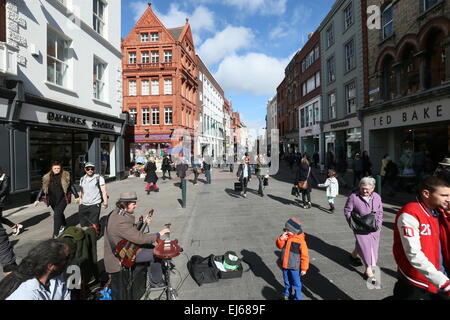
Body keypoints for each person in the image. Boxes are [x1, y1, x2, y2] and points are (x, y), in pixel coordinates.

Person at [103, 192, 170, 300]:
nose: (136, 205)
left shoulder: (116, 213)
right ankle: (156, 282)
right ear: (125, 204)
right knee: (156, 252)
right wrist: (158, 234)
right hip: (120, 257)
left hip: (126, 248)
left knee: (151, 248)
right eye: (133, 203)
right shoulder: (120, 221)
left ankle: (155, 280)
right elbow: (139, 238)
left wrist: (143, 222)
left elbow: (129, 231)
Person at [392, 176, 450, 300]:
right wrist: (442, 281)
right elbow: (413, 253)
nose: (448, 199)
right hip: (416, 279)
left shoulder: (440, 211)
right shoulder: (410, 213)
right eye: (444, 195)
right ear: (426, 193)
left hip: (440, 274)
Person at [0, 239, 71, 300]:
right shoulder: (26, 295)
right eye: (66, 258)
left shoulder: (57, 275)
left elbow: (65, 295)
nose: (69, 261)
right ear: (50, 266)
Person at [344, 177, 383, 284]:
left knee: (372, 247)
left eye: (367, 189)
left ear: (373, 188)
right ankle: (369, 270)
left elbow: (380, 211)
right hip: (360, 227)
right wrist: (352, 223)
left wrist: (379, 224)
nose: (365, 191)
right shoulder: (353, 197)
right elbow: (347, 210)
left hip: (374, 227)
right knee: (367, 248)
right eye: (363, 188)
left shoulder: (377, 197)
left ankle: (353, 255)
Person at [34, 161, 80, 238]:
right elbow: (43, 188)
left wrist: (76, 196)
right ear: (52, 169)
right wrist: (37, 199)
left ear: (60, 168)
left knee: (56, 215)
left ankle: (55, 234)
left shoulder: (65, 175)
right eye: (55, 168)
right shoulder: (47, 177)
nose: (56, 169)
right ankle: (64, 224)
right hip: (52, 200)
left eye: (58, 168)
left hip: (63, 199)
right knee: (59, 213)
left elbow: (71, 186)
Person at [276, 217, 309, 300]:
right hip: (285, 265)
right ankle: (287, 293)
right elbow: (279, 246)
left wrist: (304, 268)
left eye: (288, 230)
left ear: (294, 231)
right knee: (287, 281)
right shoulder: (286, 236)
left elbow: (305, 256)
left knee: (296, 283)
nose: (285, 232)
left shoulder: (300, 241)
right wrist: (281, 239)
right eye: (285, 229)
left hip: (295, 267)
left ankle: (298, 297)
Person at [78, 162, 108, 232]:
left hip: (95, 203)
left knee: (93, 223)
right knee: (83, 223)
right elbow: (81, 192)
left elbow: (104, 191)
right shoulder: (82, 179)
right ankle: (88, 235)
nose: (90, 170)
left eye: (92, 169)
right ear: (85, 169)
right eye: (88, 169)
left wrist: (105, 202)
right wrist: (80, 203)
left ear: (94, 169)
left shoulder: (99, 178)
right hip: (84, 204)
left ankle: (95, 235)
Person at [0, 167, 22, 236]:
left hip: (2, 200)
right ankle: (14, 226)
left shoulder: (6, 178)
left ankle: (12, 227)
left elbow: (4, 190)